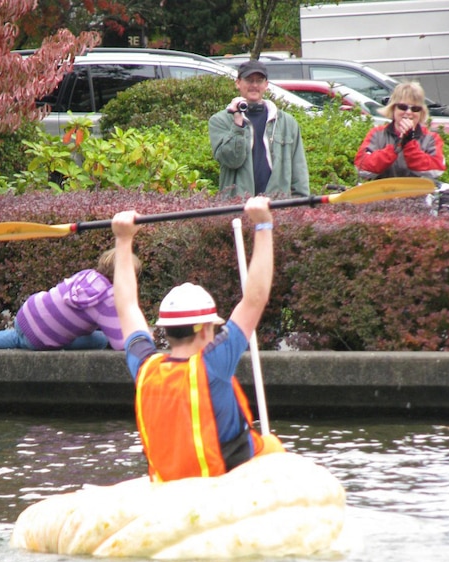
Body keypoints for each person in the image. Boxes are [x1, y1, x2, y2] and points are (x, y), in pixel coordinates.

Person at [111, 197, 285, 484]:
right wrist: (263, 224)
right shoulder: (213, 365)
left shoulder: (144, 368)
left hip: (167, 486)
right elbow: (254, 300)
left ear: (166, 331)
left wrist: (123, 240)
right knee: (272, 447)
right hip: (219, 486)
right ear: (206, 330)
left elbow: (127, 306)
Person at [0, 248, 136, 351]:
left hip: (26, 313)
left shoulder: (87, 275)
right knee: (101, 340)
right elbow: (121, 344)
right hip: (40, 338)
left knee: (17, 336)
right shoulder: (108, 299)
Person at [209, 60, 310, 199]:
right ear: (238, 83)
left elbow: (299, 170)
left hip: (278, 207)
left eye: (259, 80)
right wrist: (237, 123)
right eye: (249, 80)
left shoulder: (287, 122)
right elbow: (232, 160)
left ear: (266, 85)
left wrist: (301, 204)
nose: (254, 85)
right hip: (237, 207)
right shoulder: (221, 121)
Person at [354, 81, 445, 181]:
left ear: (421, 112)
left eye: (415, 108)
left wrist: (410, 145)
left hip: (418, 194)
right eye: (402, 107)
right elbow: (361, 168)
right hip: (383, 193)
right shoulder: (377, 134)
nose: (408, 112)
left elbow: (436, 170)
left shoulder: (431, 138)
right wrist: (396, 147)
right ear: (393, 108)